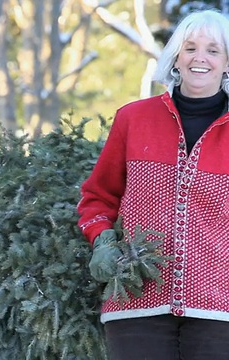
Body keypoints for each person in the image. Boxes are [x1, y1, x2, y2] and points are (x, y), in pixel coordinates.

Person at [77, 9, 229, 360]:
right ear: (176, 56)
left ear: (226, 63)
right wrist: (101, 239)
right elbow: (97, 196)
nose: (199, 58)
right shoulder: (134, 119)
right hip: (136, 302)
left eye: (213, 50)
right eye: (190, 48)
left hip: (219, 307)